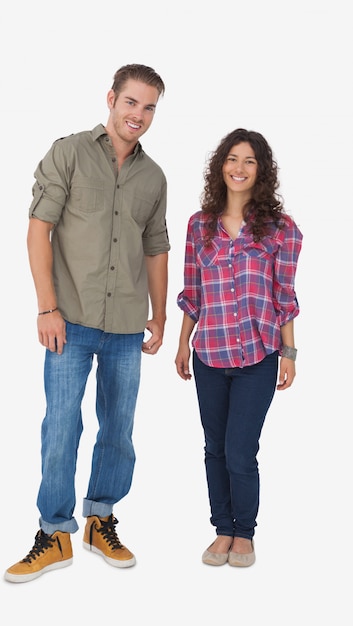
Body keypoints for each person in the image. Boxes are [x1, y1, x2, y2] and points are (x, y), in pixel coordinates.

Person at [5, 64, 169, 583]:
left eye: (148, 108)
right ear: (111, 99)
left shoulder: (154, 176)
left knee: (118, 429)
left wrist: (160, 315)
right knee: (61, 426)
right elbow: (38, 231)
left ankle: (101, 520)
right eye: (131, 103)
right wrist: (46, 307)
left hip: (125, 324)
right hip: (69, 319)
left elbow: (156, 248)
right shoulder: (69, 152)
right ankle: (54, 532)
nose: (138, 115)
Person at [175, 128, 302, 567]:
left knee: (240, 450)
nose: (239, 168)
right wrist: (181, 343)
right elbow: (193, 292)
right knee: (213, 448)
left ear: (261, 171)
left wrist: (289, 354)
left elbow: (284, 295)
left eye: (249, 161)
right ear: (220, 166)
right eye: (232, 159)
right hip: (208, 354)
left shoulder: (280, 230)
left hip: (258, 356)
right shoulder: (199, 226)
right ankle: (222, 529)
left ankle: (244, 533)